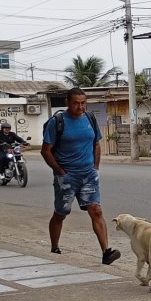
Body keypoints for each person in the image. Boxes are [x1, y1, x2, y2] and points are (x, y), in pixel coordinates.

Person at [41, 87, 120, 265]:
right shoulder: (57, 122)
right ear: (67, 103)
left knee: (96, 210)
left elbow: (96, 143)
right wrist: (60, 171)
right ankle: (54, 247)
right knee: (61, 213)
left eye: (83, 103)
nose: (80, 107)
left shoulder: (90, 118)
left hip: (88, 175)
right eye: (76, 103)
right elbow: (45, 151)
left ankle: (106, 252)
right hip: (67, 178)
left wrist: (95, 167)